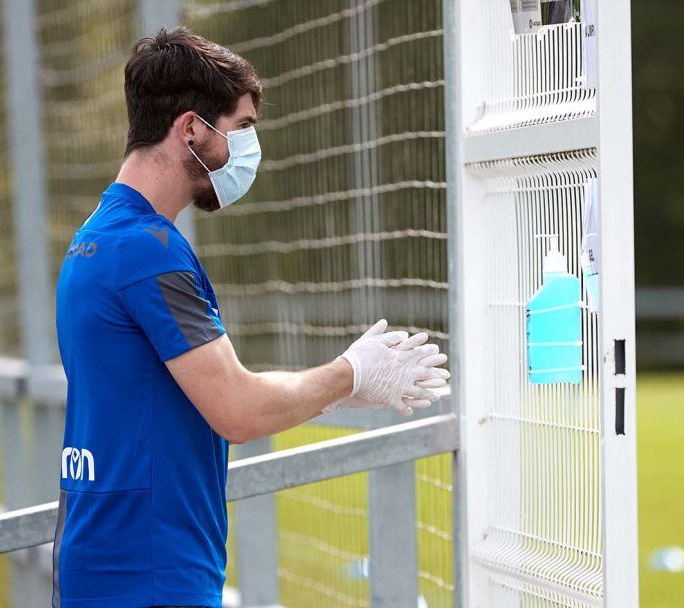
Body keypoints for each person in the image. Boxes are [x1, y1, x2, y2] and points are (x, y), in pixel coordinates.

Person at [51, 26, 449, 608]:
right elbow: (236, 409)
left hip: (107, 566)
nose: (247, 150)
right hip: (150, 576)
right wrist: (350, 373)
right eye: (240, 130)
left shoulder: (96, 237)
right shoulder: (144, 251)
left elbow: (182, 395)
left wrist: (331, 396)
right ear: (190, 129)